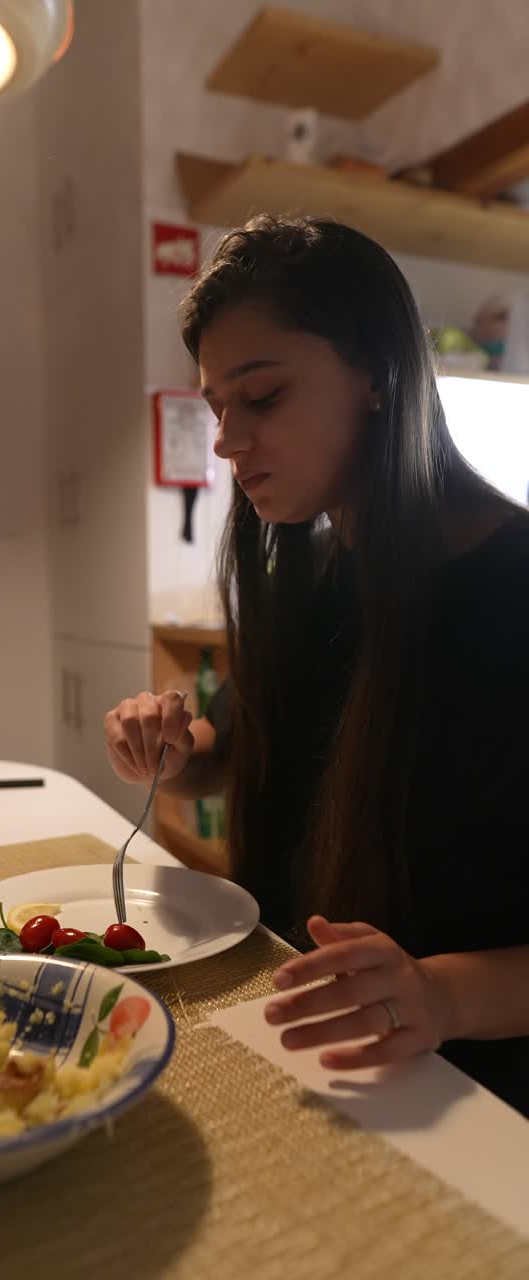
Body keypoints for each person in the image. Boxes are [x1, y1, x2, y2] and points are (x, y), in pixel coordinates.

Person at [104, 215, 529, 1116]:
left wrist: (442, 993)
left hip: (472, 1098)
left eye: (261, 398)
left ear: (376, 375)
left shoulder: (511, 588)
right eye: (218, 408)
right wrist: (177, 753)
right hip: (318, 1046)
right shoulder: (322, 571)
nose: (226, 441)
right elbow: (237, 745)